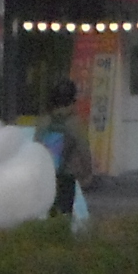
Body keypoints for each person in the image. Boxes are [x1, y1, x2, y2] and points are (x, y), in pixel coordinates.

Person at [46, 77, 93, 218]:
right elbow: (84, 149)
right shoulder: (75, 123)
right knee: (64, 212)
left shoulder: (45, 121)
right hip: (67, 175)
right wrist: (87, 174)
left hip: (46, 175)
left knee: (50, 212)